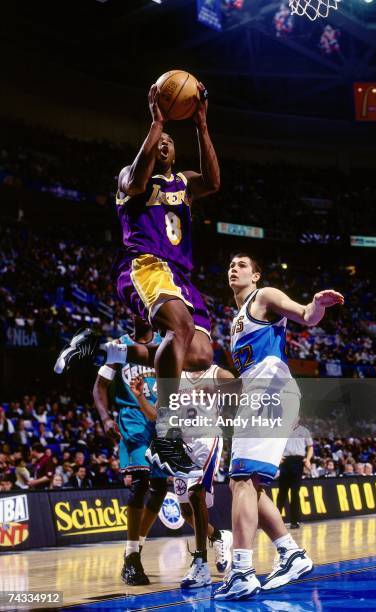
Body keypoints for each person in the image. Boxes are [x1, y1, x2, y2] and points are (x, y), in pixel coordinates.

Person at [55, 80, 220, 478]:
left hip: (181, 277)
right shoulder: (130, 174)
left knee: (199, 355)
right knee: (179, 328)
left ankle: (102, 348)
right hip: (144, 264)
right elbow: (135, 183)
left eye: (168, 140)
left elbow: (214, 182)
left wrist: (200, 124)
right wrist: (156, 122)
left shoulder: (185, 182)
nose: (164, 142)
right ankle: (165, 436)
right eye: (158, 139)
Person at [214, 253, 344, 600]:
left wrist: (316, 304)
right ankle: (291, 554)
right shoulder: (235, 321)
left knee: (241, 481)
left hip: (269, 393)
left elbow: (304, 315)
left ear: (256, 276)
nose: (234, 268)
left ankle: (241, 571)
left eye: (242, 265)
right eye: (231, 264)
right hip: (261, 395)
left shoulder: (264, 296)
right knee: (250, 485)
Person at [130, 362, 234, 589]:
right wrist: (140, 397)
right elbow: (156, 415)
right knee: (186, 510)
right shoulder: (173, 377)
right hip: (180, 445)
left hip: (207, 440)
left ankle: (200, 563)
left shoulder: (217, 373)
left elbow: (243, 391)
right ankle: (218, 536)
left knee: (196, 495)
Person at [93, 318, 168, 586]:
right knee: (140, 482)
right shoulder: (119, 347)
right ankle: (134, 557)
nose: (140, 311)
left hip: (160, 417)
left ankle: (133, 550)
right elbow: (99, 387)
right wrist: (105, 418)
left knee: (160, 487)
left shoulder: (165, 344)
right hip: (132, 417)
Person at [277, 418, 313, 528]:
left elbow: (310, 447)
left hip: (298, 462)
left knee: (294, 492)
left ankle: (294, 521)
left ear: (298, 418)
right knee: (282, 492)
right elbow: (275, 445)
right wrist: (278, 456)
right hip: (285, 461)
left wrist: (308, 459)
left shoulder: (304, 431)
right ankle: (276, 521)